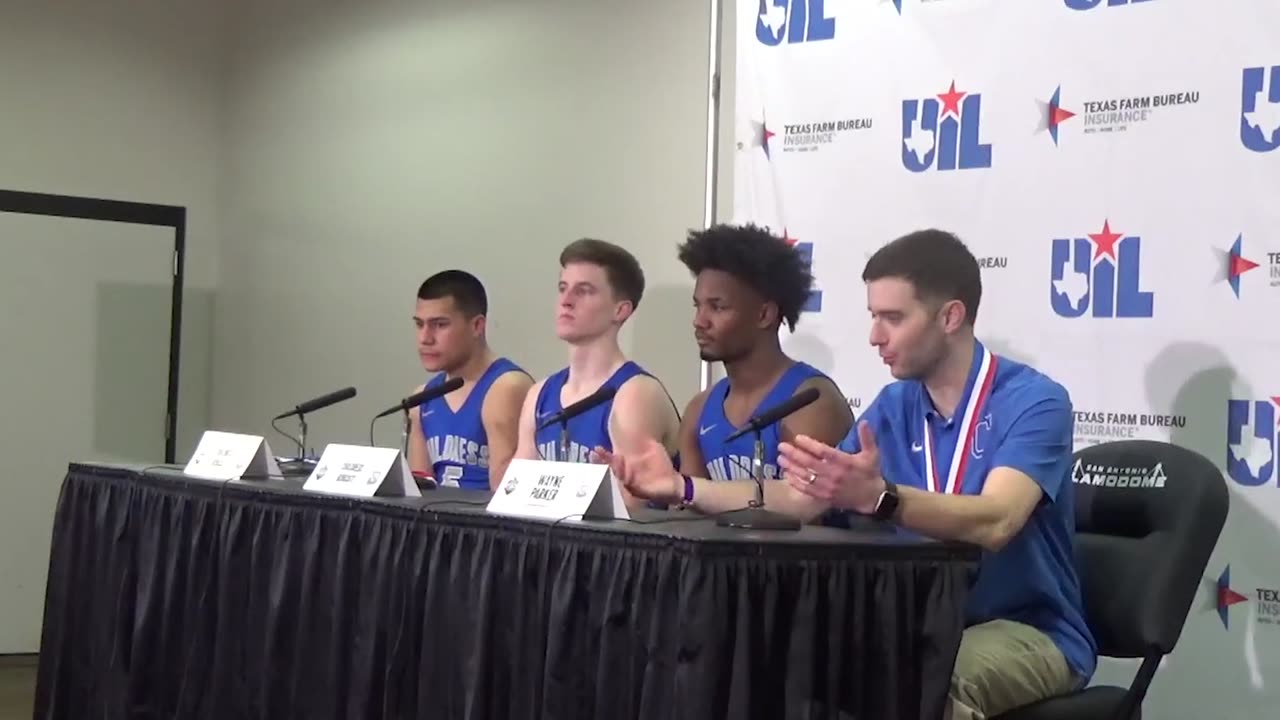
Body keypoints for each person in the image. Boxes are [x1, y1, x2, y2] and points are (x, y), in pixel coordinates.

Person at [674, 223, 852, 487]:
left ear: (764, 314)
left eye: (717, 307)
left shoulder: (811, 404)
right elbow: (686, 516)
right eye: (697, 305)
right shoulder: (698, 410)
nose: (699, 321)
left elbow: (804, 512)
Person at [512, 238, 681, 507]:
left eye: (584, 291)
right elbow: (516, 496)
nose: (566, 301)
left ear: (620, 310)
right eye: (562, 288)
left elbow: (632, 507)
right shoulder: (539, 394)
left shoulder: (635, 393)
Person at [406, 270, 533, 490]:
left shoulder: (506, 387)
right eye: (419, 324)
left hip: (483, 523)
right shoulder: (421, 398)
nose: (425, 338)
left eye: (440, 324)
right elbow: (418, 493)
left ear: (477, 326)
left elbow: (507, 495)